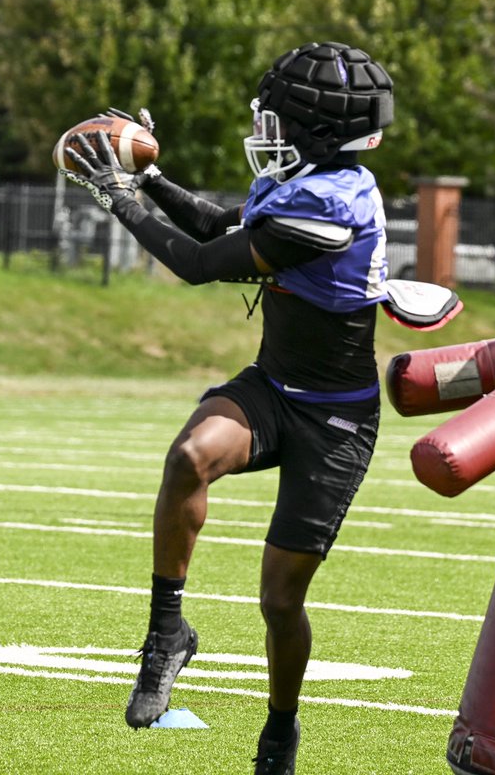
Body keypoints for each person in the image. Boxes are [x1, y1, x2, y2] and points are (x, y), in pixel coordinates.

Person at [60, 42, 418, 775]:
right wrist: (150, 177)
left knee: (280, 602)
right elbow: (216, 223)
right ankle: (167, 634)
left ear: (318, 133)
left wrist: (113, 193)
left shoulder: (331, 208)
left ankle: (280, 731)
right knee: (190, 455)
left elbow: (198, 264)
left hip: (336, 420)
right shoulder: (309, 178)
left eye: (281, 119)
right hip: (275, 386)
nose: (266, 129)